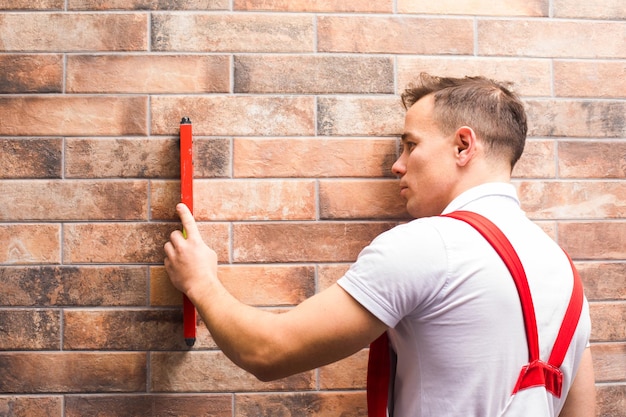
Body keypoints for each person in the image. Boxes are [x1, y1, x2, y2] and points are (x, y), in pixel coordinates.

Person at [164, 73, 595, 416]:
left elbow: (268, 351)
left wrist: (200, 281)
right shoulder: (565, 274)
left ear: (464, 146)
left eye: (410, 145)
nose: (398, 165)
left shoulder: (429, 245)